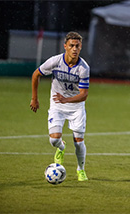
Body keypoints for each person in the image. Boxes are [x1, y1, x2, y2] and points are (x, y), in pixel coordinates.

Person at [30, 31, 90, 181]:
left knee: (78, 142)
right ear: (65, 46)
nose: (74, 49)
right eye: (71, 46)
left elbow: (84, 95)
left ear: (81, 47)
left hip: (76, 107)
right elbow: (36, 75)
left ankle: (80, 170)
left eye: (77, 46)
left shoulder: (83, 68)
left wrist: (67, 100)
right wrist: (34, 99)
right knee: (54, 140)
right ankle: (61, 148)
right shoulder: (55, 61)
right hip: (57, 104)